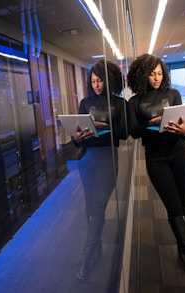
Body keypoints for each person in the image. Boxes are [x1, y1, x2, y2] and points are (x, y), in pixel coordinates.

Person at [127, 53, 185, 287]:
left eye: (160, 73)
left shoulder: (173, 94)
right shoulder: (134, 102)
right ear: (142, 75)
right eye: (152, 74)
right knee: (173, 208)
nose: (157, 78)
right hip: (156, 158)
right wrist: (151, 123)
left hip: (180, 152)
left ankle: (183, 247)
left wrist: (184, 131)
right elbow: (133, 132)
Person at [73, 60, 127, 281]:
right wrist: (76, 138)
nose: (96, 84)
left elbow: (124, 134)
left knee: (98, 205)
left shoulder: (119, 103)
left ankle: (86, 258)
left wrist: (105, 126)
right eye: (93, 81)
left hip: (108, 159)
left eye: (100, 80)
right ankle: (96, 246)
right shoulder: (85, 103)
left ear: (108, 79)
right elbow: (78, 137)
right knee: (91, 206)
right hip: (87, 159)